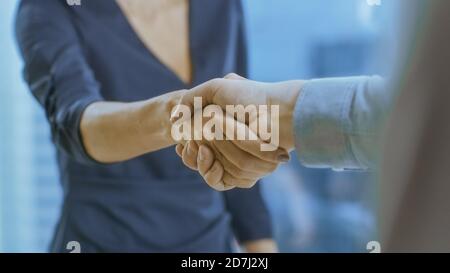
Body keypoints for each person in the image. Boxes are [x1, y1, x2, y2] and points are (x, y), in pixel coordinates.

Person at [15, 0, 280, 252]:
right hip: (103, 238)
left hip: (208, 241)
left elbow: (240, 161)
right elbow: (77, 124)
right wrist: (179, 115)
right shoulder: (49, 7)